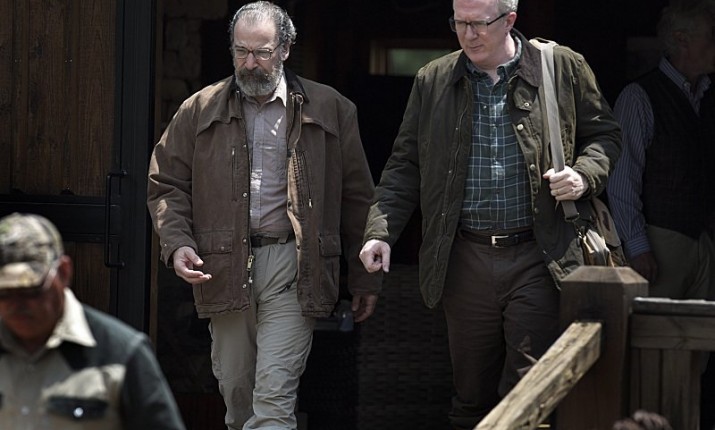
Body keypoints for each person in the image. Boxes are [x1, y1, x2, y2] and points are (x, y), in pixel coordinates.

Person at [359, 0, 621, 427]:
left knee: (528, 390)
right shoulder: (434, 78)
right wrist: (380, 232)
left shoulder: (560, 66)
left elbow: (605, 135)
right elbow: (405, 165)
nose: (468, 34)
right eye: (459, 22)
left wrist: (583, 175)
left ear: (509, 20)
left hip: (539, 252)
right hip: (465, 258)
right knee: (470, 395)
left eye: (479, 24)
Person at [147, 2, 381, 429]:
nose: (250, 63)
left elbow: (357, 198)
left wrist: (364, 278)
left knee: (274, 398)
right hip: (222, 266)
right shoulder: (199, 109)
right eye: (241, 51)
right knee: (238, 396)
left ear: (286, 49)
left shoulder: (331, 108)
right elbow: (166, 183)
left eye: (262, 52)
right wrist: (177, 242)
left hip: (295, 265)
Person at [0, 213, 186, 430]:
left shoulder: (121, 354)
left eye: (31, 290)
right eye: (4, 293)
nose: (17, 304)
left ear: (63, 273)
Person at [607, 0, 715, 300]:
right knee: (656, 327)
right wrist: (637, 246)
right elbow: (622, 178)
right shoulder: (639, 97)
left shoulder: (707, 95)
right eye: (712, 33)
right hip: (660, 245)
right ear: (682, 39)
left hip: (706, 242)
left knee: (704, 329)